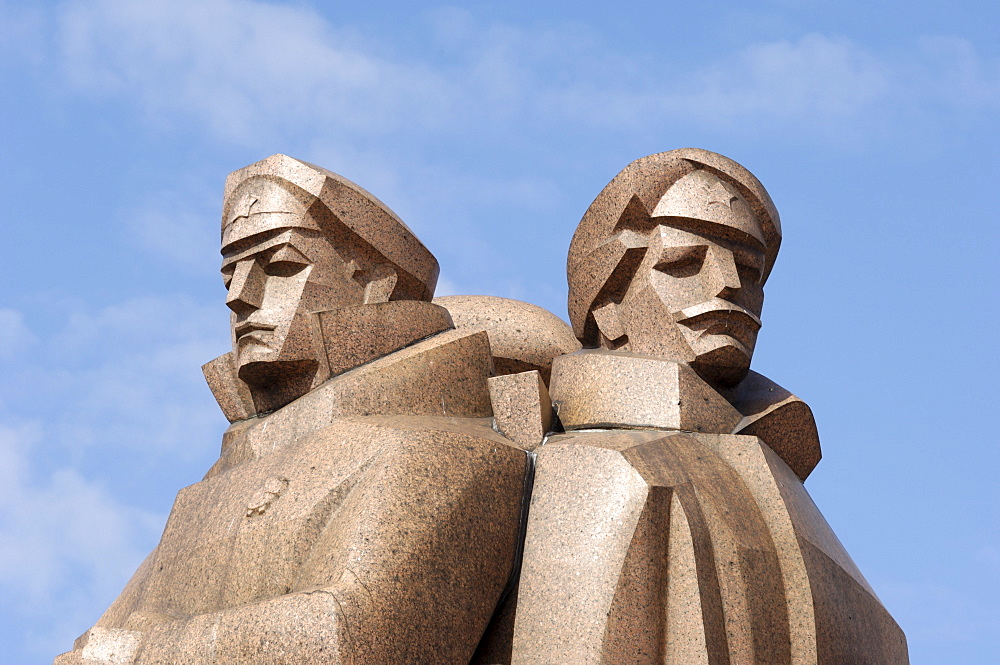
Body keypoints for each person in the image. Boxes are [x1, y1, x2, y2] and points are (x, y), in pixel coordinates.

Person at [54, 154, 531, 664]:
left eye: (279, 267)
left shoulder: (445, 448)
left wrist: (140, 652)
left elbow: (357, 639)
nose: (240, 297)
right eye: (229, 276)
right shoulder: (218, 480)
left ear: (373, 283)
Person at [507, 149, 909, 664]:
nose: (729, 285)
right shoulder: (566, 463)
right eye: (684, 263)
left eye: (749, 269)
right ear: (608, 305)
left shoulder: (781, 473)